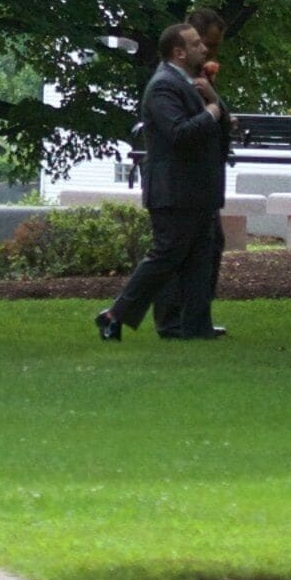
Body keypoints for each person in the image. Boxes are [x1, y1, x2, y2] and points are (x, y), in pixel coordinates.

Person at [101, 20, 231, 343]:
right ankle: (114, 315)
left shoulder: (193, 83)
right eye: (196, 44)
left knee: (200, 259)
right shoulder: (163, 86)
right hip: (174, 190)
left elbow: (219, 123)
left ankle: (196, 327)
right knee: (166, 256)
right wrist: (211, 112)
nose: (204, 48)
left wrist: (214, 101)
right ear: (179, 53)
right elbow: (179, 134)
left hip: (198, 189)